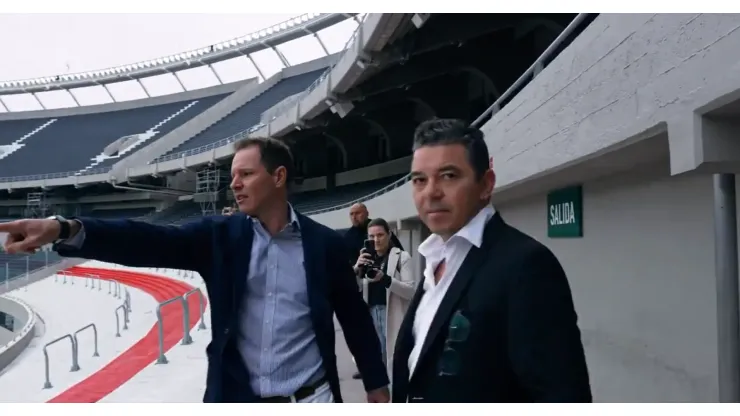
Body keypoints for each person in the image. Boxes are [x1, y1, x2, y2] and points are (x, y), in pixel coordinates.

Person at [0, 137, 390, 404]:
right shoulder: (220, 237)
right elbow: (146, 239)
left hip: (313, 397)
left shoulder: (324, 244)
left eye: (246, 174)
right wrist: (64, 227)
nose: (234, 184)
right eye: (233, 175)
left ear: (279, 176)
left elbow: (354, 319)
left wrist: (376, 385)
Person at [391, 118, 592, 403]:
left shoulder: (527, 265)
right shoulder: (433, 257)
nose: (431, 192)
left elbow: (562, 396)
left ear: (486, 184)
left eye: (448, 175)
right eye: (420, 180)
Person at [344, 203, 404, 379]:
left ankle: (392, 371)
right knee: (367, 338)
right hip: (363, 292)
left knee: (390, 338)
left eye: (358, 213)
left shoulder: (380, 229)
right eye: (352, 214)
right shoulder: (348, 238)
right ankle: (368, 368)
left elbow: (399, 254)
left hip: (387, 290)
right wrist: (357, 266)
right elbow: (345, 269)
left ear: (366, 213)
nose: (355, 217)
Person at [353, 218, 417, 376]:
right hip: (370, 314)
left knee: (395, 360)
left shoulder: (402, 257)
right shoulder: (366, 258)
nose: (376, 240)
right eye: (371, 236)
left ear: (389, 234)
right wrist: (356, 268)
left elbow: (410, 291)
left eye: (380, 235)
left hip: (393, 313)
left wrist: (385, 279)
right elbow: (351, 288)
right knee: (375, 361)